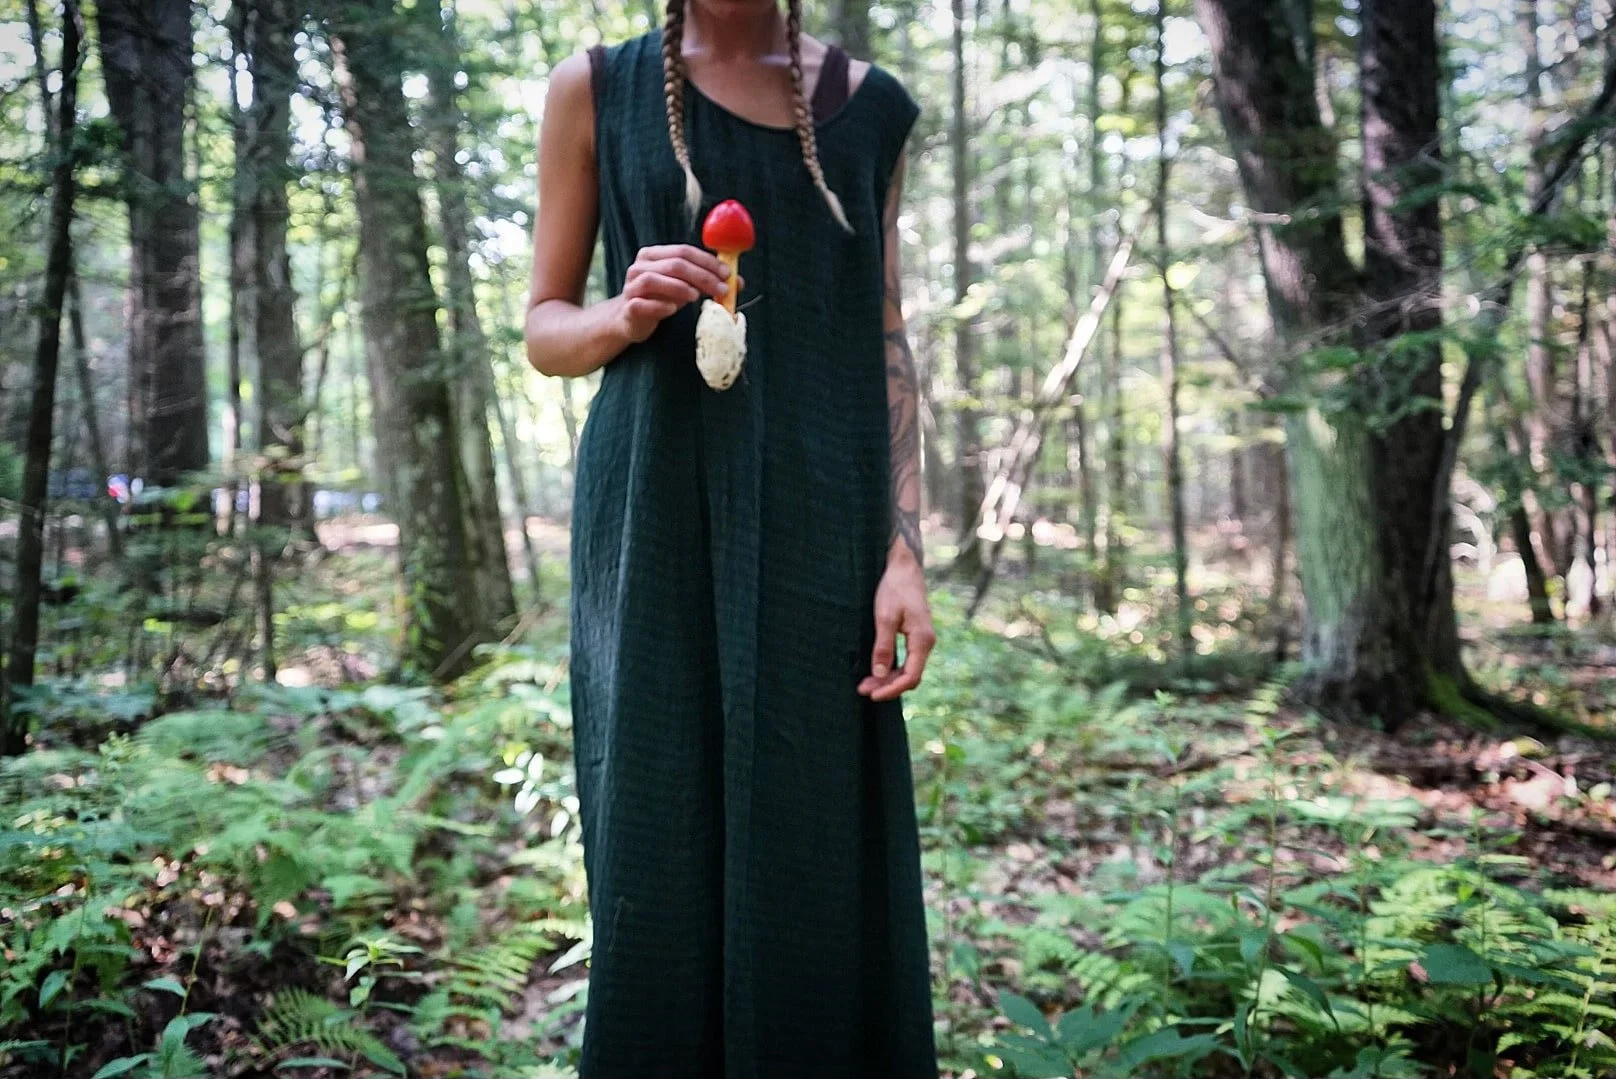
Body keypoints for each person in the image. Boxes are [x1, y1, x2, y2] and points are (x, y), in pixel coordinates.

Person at [523, 0, 938, 1073]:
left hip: (824, 522)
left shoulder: (869, 108)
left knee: (816, 832)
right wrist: (621, 315)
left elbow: (883, 331)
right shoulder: (595, 89)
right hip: (651, 511)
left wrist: (904, 548)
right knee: (657, 822)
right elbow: (542, 326)